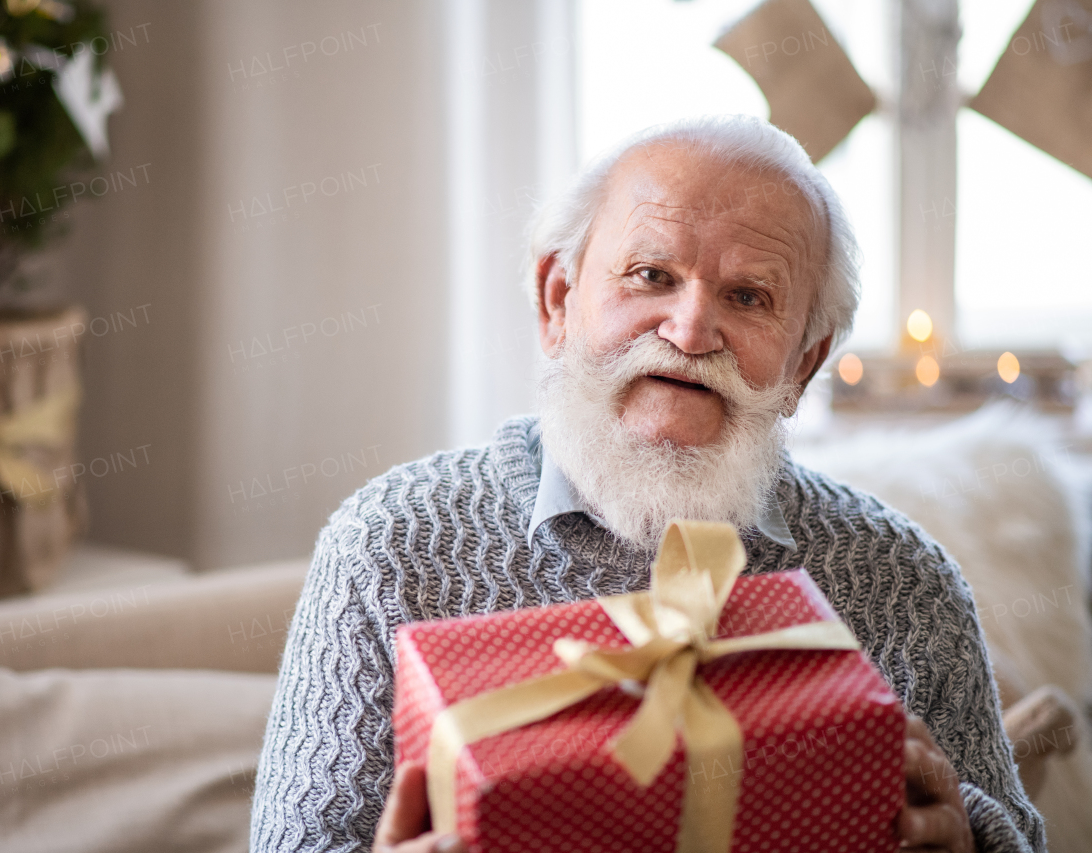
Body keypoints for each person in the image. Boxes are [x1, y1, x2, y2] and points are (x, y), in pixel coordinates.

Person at [249, 116, 1043, 853]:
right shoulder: (389, 548)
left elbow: (1014, 835)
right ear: (557, 301)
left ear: (804, 361)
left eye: (748, 297)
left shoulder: (908, 583)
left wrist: (971, 835)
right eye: (651, 274)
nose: (692, 330)